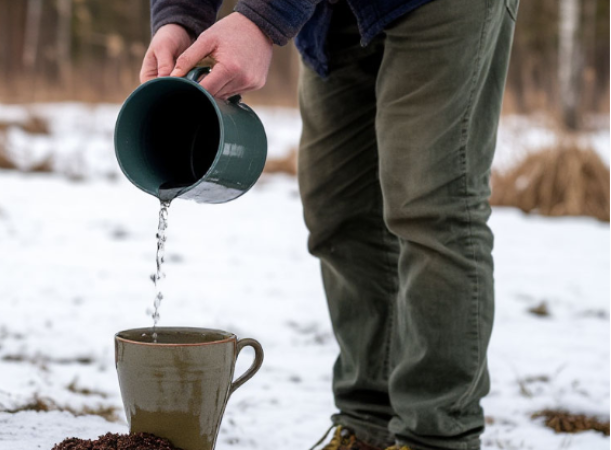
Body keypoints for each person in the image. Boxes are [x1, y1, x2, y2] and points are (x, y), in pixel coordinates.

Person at [140, 0, 518, 449]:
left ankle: (435, 436)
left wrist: (262, 20)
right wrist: (180, 20)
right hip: (331, 14)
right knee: (338, 210)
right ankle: (367, 427)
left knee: (428, 203)